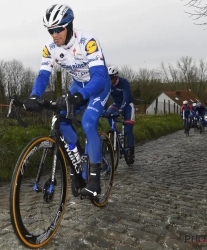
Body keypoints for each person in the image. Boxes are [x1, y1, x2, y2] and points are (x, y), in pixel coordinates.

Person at [22, 4, 111, 198]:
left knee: (88, 123)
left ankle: (95, 181)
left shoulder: (88, 42)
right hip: (78, 84)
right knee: (60, 121)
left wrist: (81, 95)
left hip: (99, 85)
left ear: (69, 26)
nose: (55, 34)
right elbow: (43, 75)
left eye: (58, 29)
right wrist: (34, 96)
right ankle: (76, 160)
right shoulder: (50, 48)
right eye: (51, 30)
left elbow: (98, 77)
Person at [102, 66, 135, 164]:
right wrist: (103, 111)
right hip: (116, 104)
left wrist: (121, 110)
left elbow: (126, 97)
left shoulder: (124, 83)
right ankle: (116, 133)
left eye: (111, 78)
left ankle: (131, 153)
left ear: (116, 77)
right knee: (109, 113)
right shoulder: (107, 85)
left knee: (128, 129)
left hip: (128, 104)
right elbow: (104, 98)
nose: (109, 80)